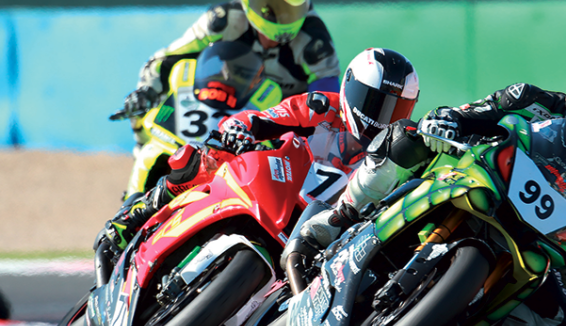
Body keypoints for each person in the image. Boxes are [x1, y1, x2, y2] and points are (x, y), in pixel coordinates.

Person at [295, 44, 566, 326]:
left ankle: (447, 321)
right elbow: (469, 113)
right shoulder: (530, 99)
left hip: (531, 237)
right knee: (406, 137)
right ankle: (342, 216)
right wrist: (448, 120)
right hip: (473, 181)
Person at [100, 48, 420, 252]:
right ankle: (136, 215)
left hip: (320, 226)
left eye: (396, 110)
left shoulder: (389, 157)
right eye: (375, 103)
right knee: (208, 157)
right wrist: (240, 130)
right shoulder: (322, 106)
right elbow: (264, 118)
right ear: (351, 88)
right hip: (276, 184)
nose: (381, 118)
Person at [121, 0, 341, 147]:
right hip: (217, 114)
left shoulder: (315, 42)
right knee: (144, 109)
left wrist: (297, 140)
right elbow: (168, 60)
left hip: (277, 132)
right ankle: (142, 155)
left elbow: (325, 107)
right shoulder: (223, 21)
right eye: (271, 5)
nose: (284, 15)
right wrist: (146, 91)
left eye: (293, 0)